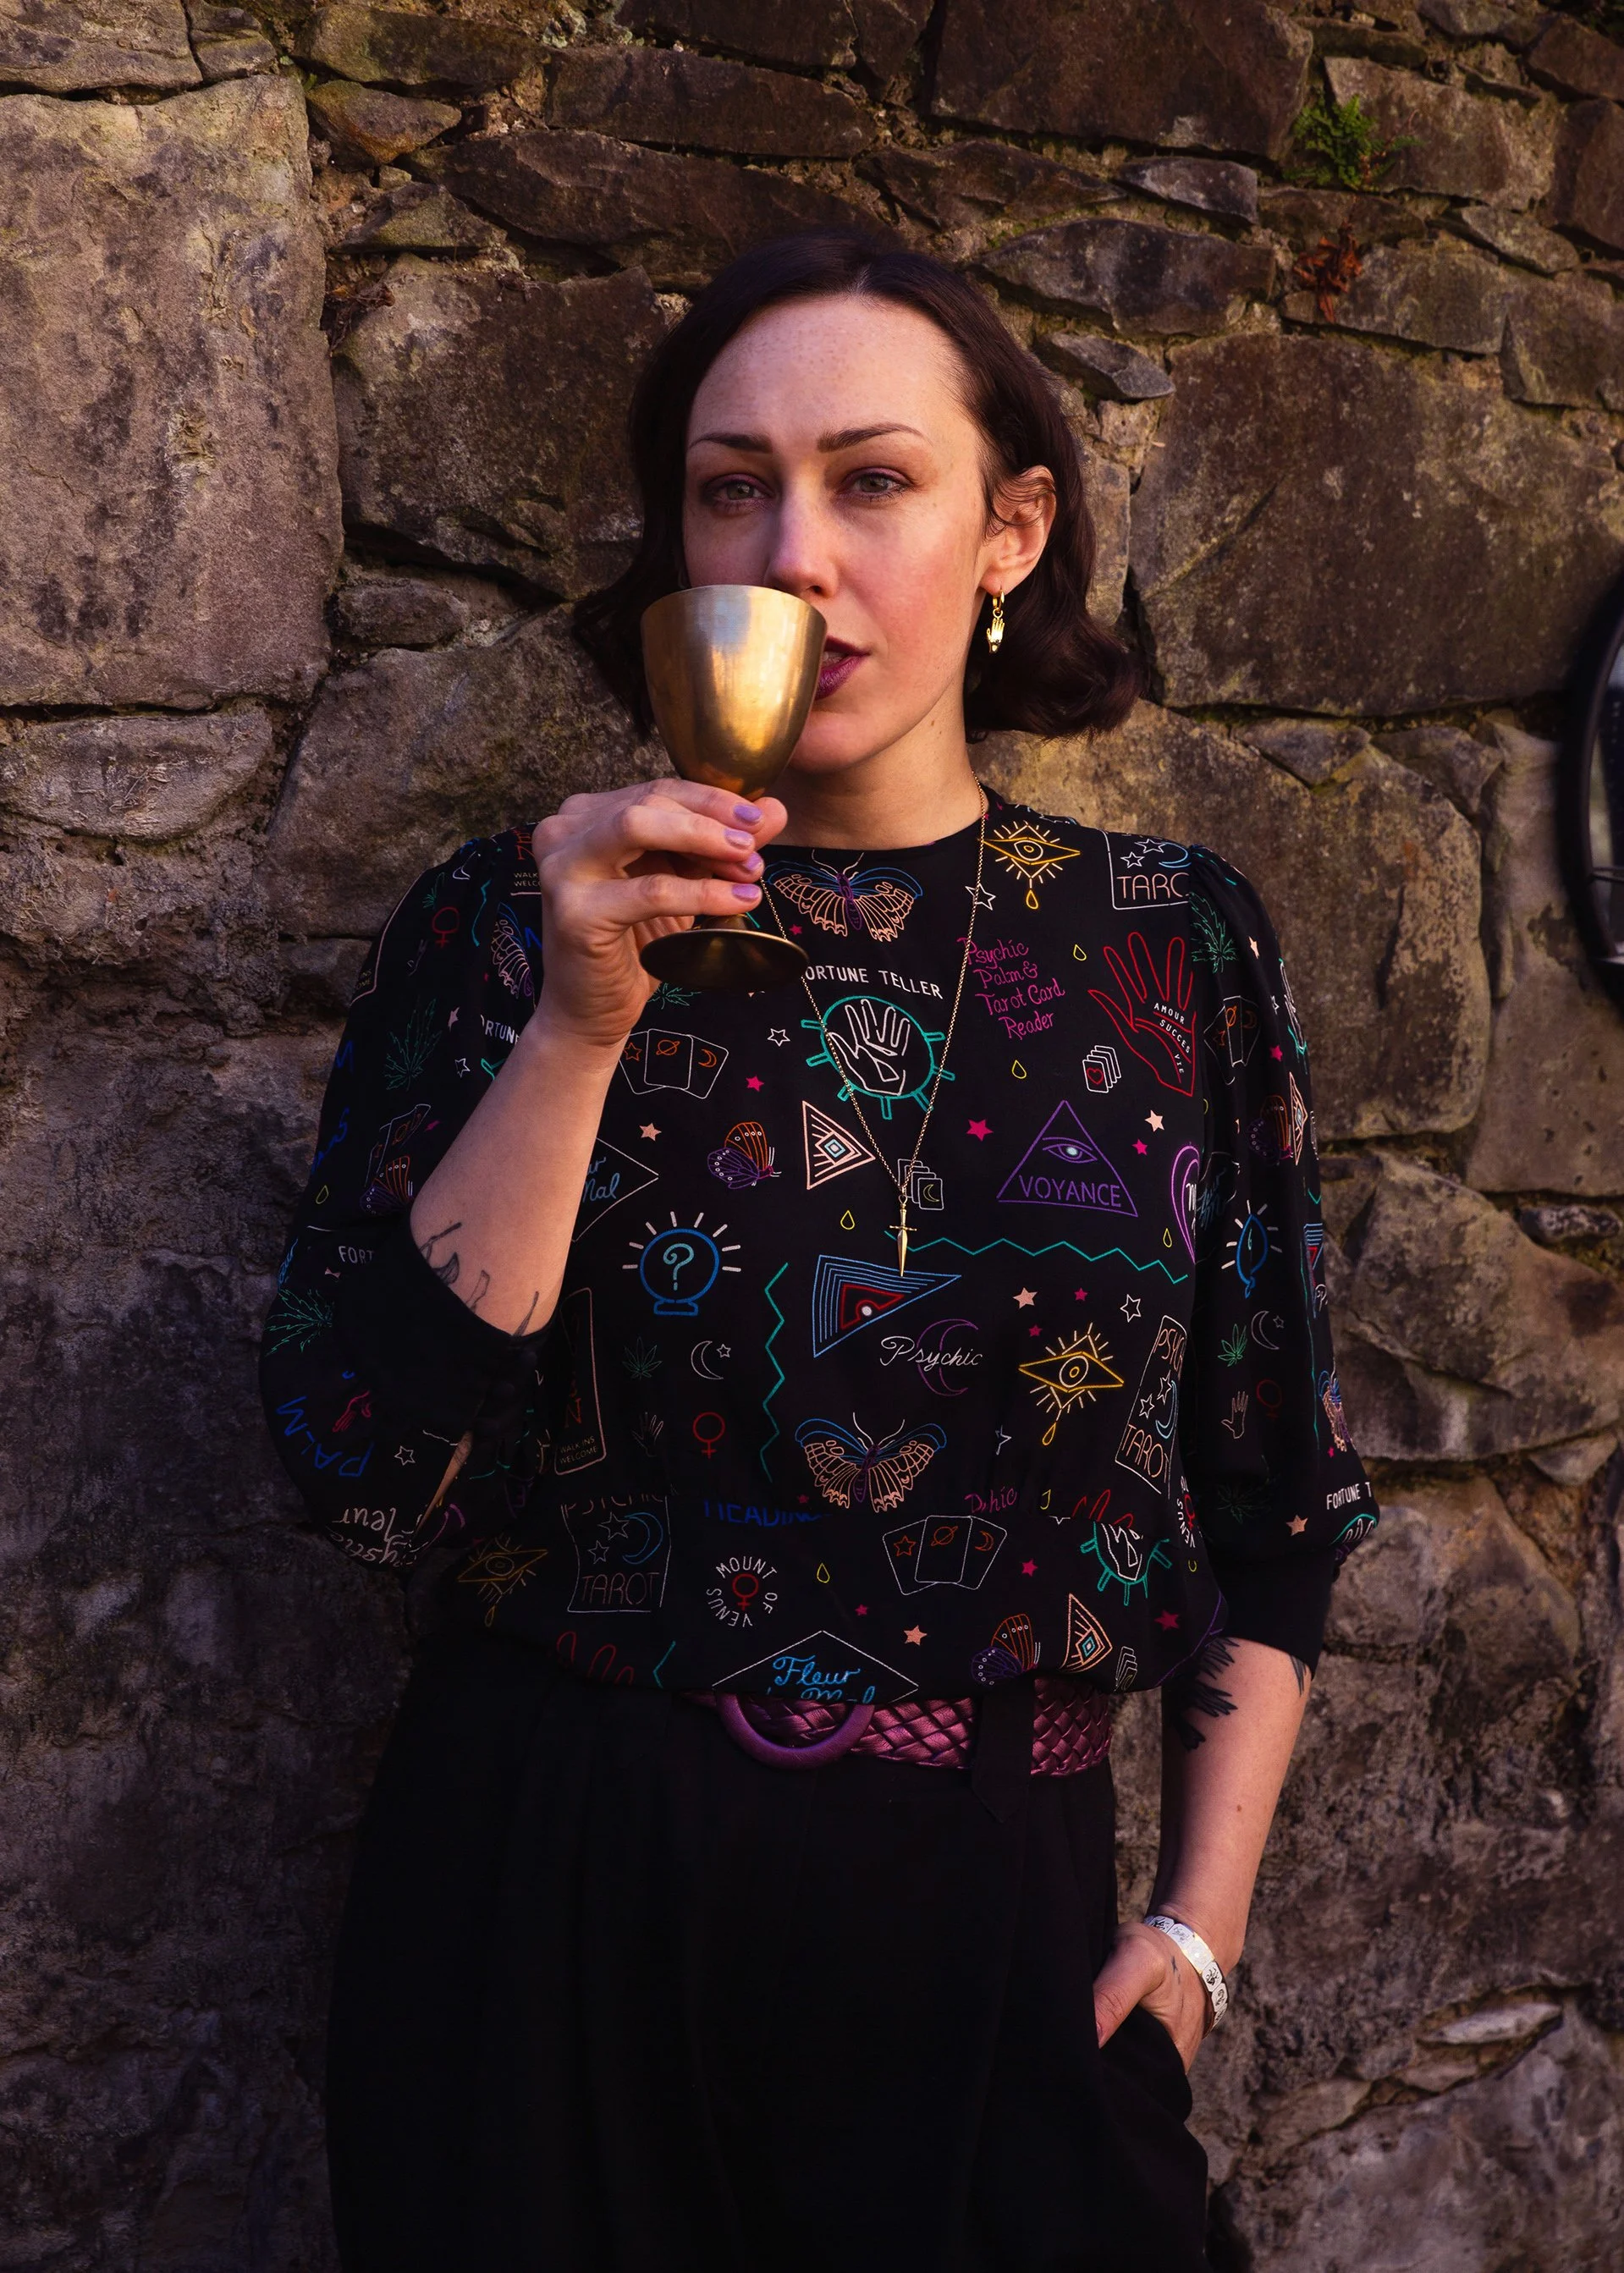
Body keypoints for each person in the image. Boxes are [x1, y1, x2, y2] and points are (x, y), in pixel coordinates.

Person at [261, 232, 1379, 2273]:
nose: (791, 551)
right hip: (552, 1893)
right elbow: (357, 1460)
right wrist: (579, 1025)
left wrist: (1197, 1930)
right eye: (727, 485)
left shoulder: (1166, 944)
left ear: (1004, 532)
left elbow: (1273, 1490)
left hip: (987, 1900)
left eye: (871, 480)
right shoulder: (511, 922)